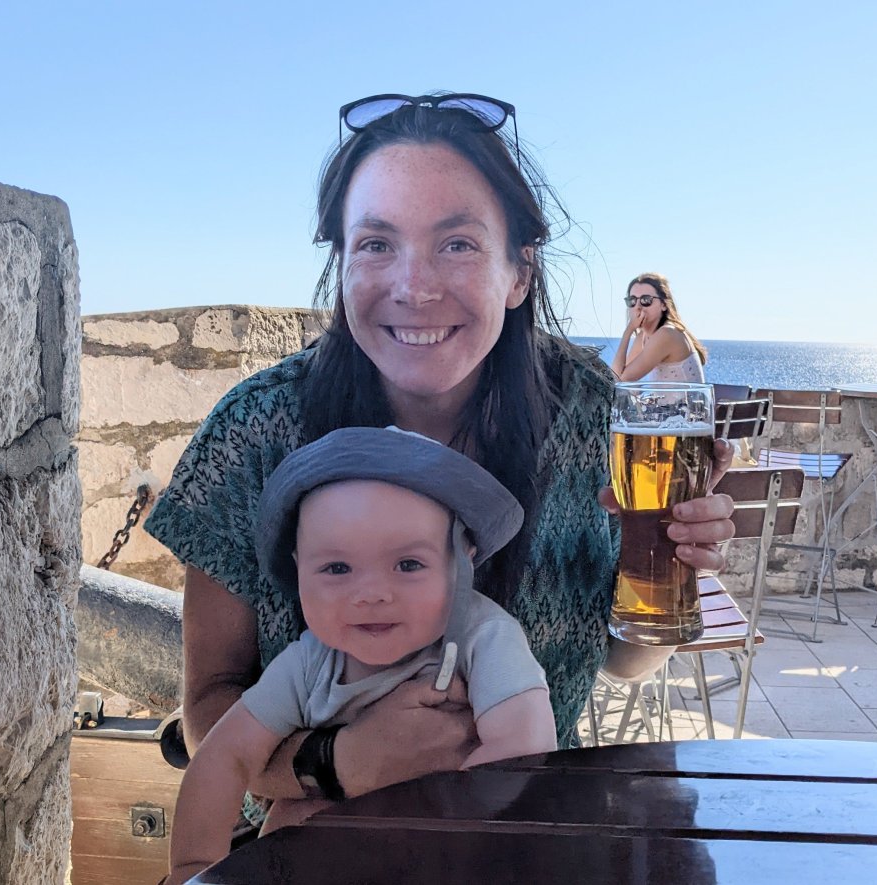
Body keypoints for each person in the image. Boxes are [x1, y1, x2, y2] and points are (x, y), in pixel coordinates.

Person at [144, 92, 734, 829]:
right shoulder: (255, 433)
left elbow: (624, 664)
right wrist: (338, 764)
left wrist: (668, 563)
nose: (414, 287)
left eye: (457, 244)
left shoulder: (592, 418)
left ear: (519, 273)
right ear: (341, 262)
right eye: (376, 244)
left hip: (522, 841)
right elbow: (208, 709)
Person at [165, 426, 557, 884]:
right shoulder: (309, 665)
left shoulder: (482, 637)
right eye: (337, 568)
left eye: (408, 564)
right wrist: (193, 868)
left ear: (462, 561)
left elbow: (522, 753)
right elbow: (224, 756)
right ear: (299, 567)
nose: (371, 593)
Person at [610, 272, 709, 382]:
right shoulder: (643, 337)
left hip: (685, 394)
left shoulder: (667, 333)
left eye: (646, 300)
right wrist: (628, 332)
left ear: (664, 304)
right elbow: (617, 377)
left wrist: (628, 331)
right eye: (632, 300)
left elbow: (621, 380)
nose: (638, 306)